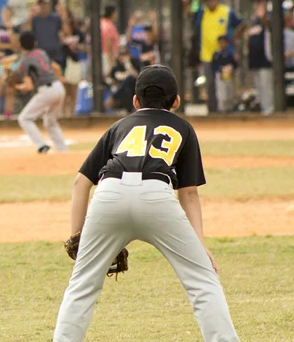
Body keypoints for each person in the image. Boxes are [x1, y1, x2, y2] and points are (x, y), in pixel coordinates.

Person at [53, 65, 239, 342]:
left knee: (82, 284)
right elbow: (188, 193)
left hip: (109, 194)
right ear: (176, 101)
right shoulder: (183, 127)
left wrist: (77, 237)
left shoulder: (119, 126)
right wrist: (200, 247)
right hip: (157, 196)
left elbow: (81, 183)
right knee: (202, 282)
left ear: (135, 101)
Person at [183, 0, 244, 113]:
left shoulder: (226, 12)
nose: (210, 3)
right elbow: (186, 7)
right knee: (209, 84)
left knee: (226, 83)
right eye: (207, 0)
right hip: (207, 55)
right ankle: (213, 110)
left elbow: (241, 24)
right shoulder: (201, 12)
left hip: (224, 55)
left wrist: (234, 39)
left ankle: (228, 109)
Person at [15, 30, 68, 154]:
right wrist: (60, 78)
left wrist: (16, 87)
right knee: (50, 121)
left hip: (46, 90)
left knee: (24, 118)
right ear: (35, 42)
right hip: (59, 87)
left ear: (20, 45)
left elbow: (28, 87)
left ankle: (41, 145)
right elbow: (56, 67)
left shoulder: (24, 61)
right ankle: (62, 150)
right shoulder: (41, 52)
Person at [22, 0, 72, 70]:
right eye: (40, 4)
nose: (42, 6)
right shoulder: (34, 19)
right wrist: (30, 16)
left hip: (56, 55)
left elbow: (67, 33)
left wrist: (64, 17)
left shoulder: (56, 18)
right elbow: (25, 31)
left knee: (58, 79)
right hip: (39, 55)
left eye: (44, 4)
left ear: (48, 5)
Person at [246, 0, 273, 115]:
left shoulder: (270, 15)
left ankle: (269, 112)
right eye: (255, 2)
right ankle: (264, 111)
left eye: (259, 2)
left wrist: (262, 16)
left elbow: (270, 26)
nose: (256, 5)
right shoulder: (253, 19)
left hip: (266, 59)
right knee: (259, 89)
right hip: (255, 60)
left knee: (267, 88)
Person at [0, 6, 19, 119]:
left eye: (8, 13)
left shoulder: (15, 29)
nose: (6, 15)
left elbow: (15, 46)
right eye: (4, 13)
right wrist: (8, 46)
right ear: (0, 15)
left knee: (10, 91)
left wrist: (10, 31)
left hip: (11, 63)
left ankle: (8, 116)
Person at [103, 46, 137, 113]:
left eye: (125, 54)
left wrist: (128, 65)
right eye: (121, 54)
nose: (123, 57)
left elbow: (137, 77)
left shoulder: (134, 63)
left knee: (129, 80)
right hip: (119, 91)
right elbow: (108, 78)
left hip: (132, 91)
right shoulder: (116, 67)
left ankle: (113, 98)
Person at [211, 35, 237, 113]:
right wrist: (221, 69)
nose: (222, 44)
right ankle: (222, 110)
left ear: (227, 43)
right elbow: (213, 66)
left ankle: (230, 109)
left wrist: (231, 69)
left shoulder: (230, 54)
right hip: (220, 76)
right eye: (220, 43)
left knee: (230, 93)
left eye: (224, 43)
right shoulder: (216, 54)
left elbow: (235, 65)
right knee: (221, 94)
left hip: (229, 76)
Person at [101, 5, 120, 77]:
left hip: (103, 55)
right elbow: (109, 44)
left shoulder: (102, 22)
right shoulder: (109, 26)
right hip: (107, 56)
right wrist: (111, 60)